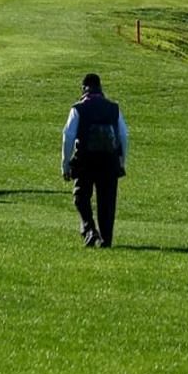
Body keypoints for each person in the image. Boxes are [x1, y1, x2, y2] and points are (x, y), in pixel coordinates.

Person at [62, 73, 127, 247]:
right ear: (100, 88)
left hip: (85, 160)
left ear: (84, 88)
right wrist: (122, 161)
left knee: (81, 196)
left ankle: (90, 230)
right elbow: (123, 135)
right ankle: (106, 240)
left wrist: (65, 163)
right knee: (107, 202)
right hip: (109, 161)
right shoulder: (114, 108)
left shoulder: (78, 108)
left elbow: (68, 136)